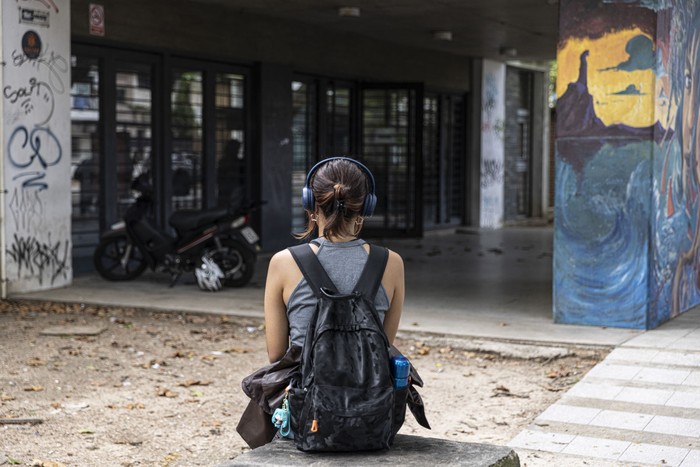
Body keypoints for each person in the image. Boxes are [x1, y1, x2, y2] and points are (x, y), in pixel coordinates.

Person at [263, 157, 405, 363]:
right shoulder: (392, 263)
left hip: (305, 393)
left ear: (310, 203)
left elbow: (276, 354)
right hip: (370, 393)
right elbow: (384, 345)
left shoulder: (283, 262)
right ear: (366, 207)